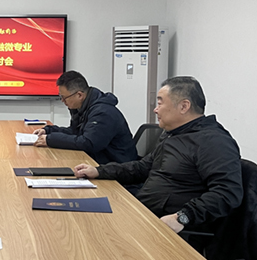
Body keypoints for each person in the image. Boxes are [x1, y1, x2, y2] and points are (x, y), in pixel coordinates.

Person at [75, 76, 243, 234]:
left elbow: (227, 193)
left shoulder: (214, 142)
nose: (155, 110)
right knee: (80, 217)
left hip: (169, 229)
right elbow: (142, 168)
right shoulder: (173, 134)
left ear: (184, 106)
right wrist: (99, 171)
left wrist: (182, 217)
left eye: (160, 103)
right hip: (142, 212)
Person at [33, 70, 138, 164]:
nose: (62, 101)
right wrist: (49, 131)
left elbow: (88, 143)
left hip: (115, 168)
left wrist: (51, 140)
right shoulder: (84, 108)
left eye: (64, 97)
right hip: (97, 162)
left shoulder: (103, 112)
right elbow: (76, 132)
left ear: (79, 95)